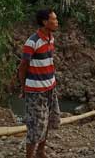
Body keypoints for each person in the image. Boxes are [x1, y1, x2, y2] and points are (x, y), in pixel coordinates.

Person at [17, 9, 61, 158]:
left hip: (50, 87)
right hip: (36, 91)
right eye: (54, 19)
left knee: (48, 121)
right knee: (35, 126)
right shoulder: (32, 42)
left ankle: (41, 152)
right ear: (44, 22)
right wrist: (23, 88)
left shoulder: (51, 38)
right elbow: (22, 67)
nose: (57, 22)